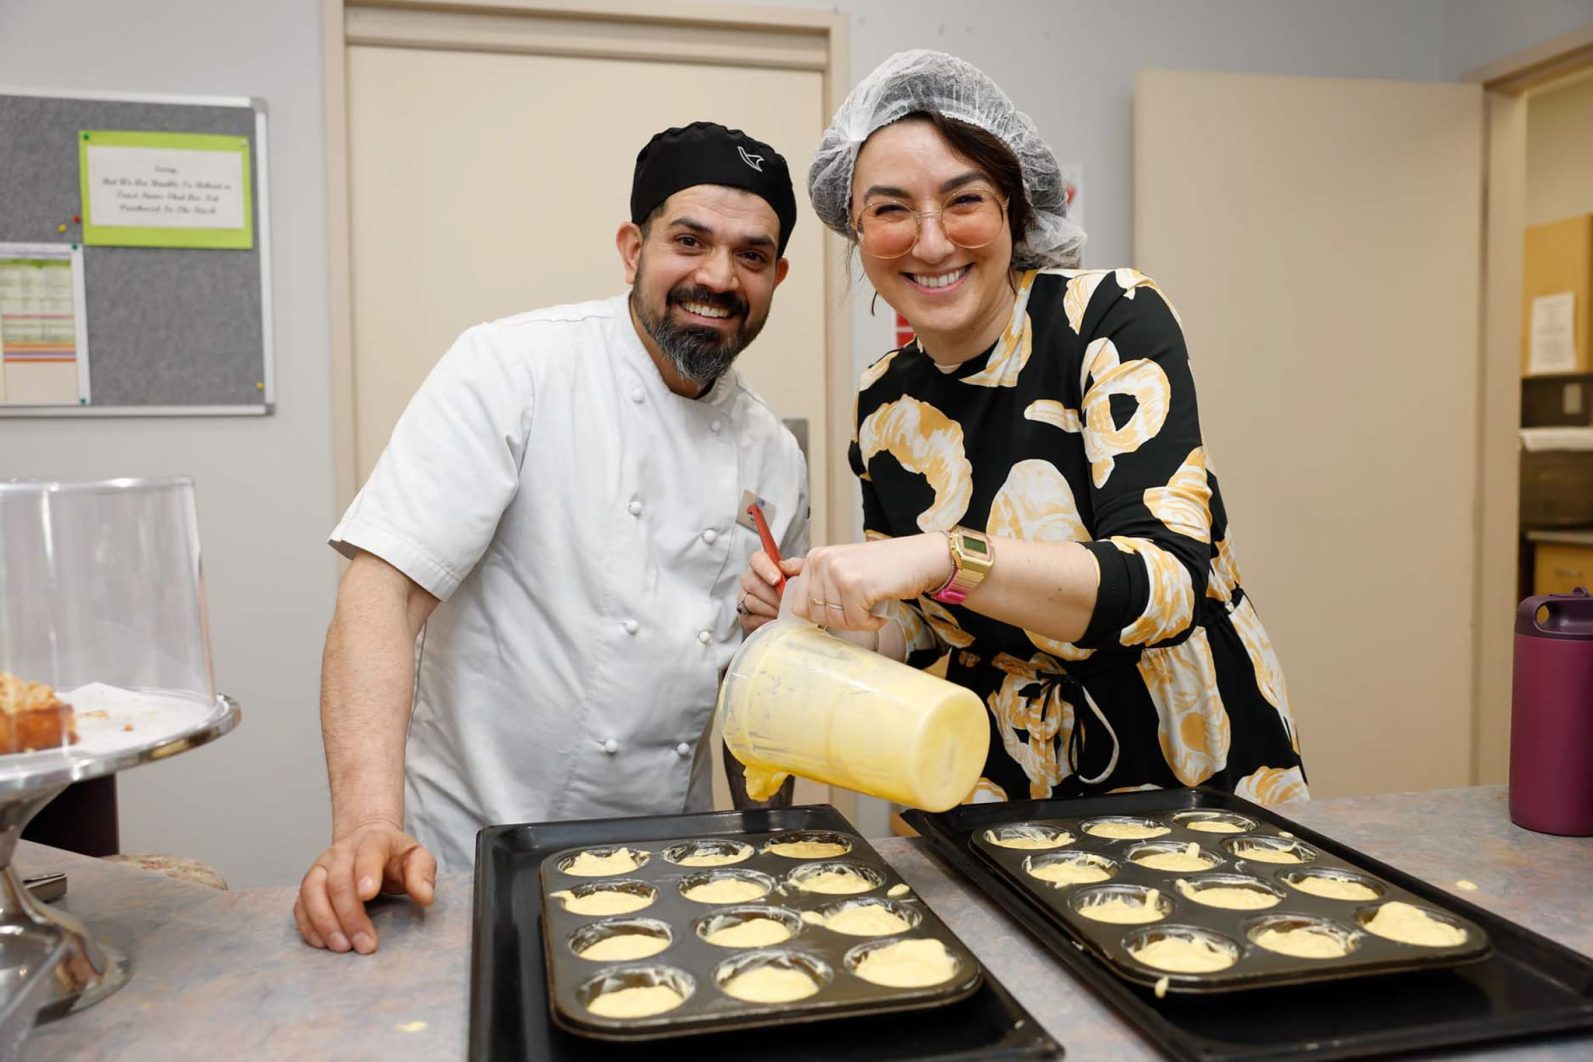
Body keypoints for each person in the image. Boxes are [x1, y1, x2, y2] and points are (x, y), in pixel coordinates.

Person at [738, 51, 1305, 808]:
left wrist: (943, 555)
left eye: (962, 199)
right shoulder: (883, 401)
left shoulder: (1106, 317)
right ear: (856, 231)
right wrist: (830, 610)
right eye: (890, 209)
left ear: (1012, 205)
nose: (931, 242)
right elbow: (924, 628)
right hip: (991, 765)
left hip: (1180, 748)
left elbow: (1165, 585)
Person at [295, 122, 809, 955]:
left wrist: (764, 840)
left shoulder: (774, 458)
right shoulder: (513, 370)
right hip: (471, 863)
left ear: (776, 276)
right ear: (631, 247)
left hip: (671, 873)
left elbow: (758, 694)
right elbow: (382, 592)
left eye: (751, 256)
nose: (717, 277)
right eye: (689, 241)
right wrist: (365, 824)